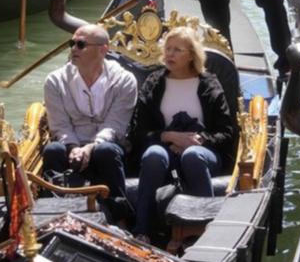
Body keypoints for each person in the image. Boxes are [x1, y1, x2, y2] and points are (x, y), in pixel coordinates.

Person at [129, 27, 236, 243]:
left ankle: (206, 229)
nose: (169, 54)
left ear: (191, 54)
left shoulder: (209, 83)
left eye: (177, 50)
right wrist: (169, 136)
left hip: (203, 151)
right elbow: (138, 131)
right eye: (167, 49)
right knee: (153, 155)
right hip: (165, 148)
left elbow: (226, 131)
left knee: (193, 156)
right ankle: (142, 231)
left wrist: (200, 140)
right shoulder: (154, 83)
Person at [43, 24, 137, 218]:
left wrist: (91, 147)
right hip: (71, 144)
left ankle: (120, 216)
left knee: (106, 151)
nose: (74, 49)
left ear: (103, 49)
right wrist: (73, 146)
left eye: (81, 44)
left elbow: (115, 125)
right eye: (72, 43)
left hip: (108, 145)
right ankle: (54, 214)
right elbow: (60, 125)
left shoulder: (125, 80)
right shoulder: (55, 81)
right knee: (53, 151)